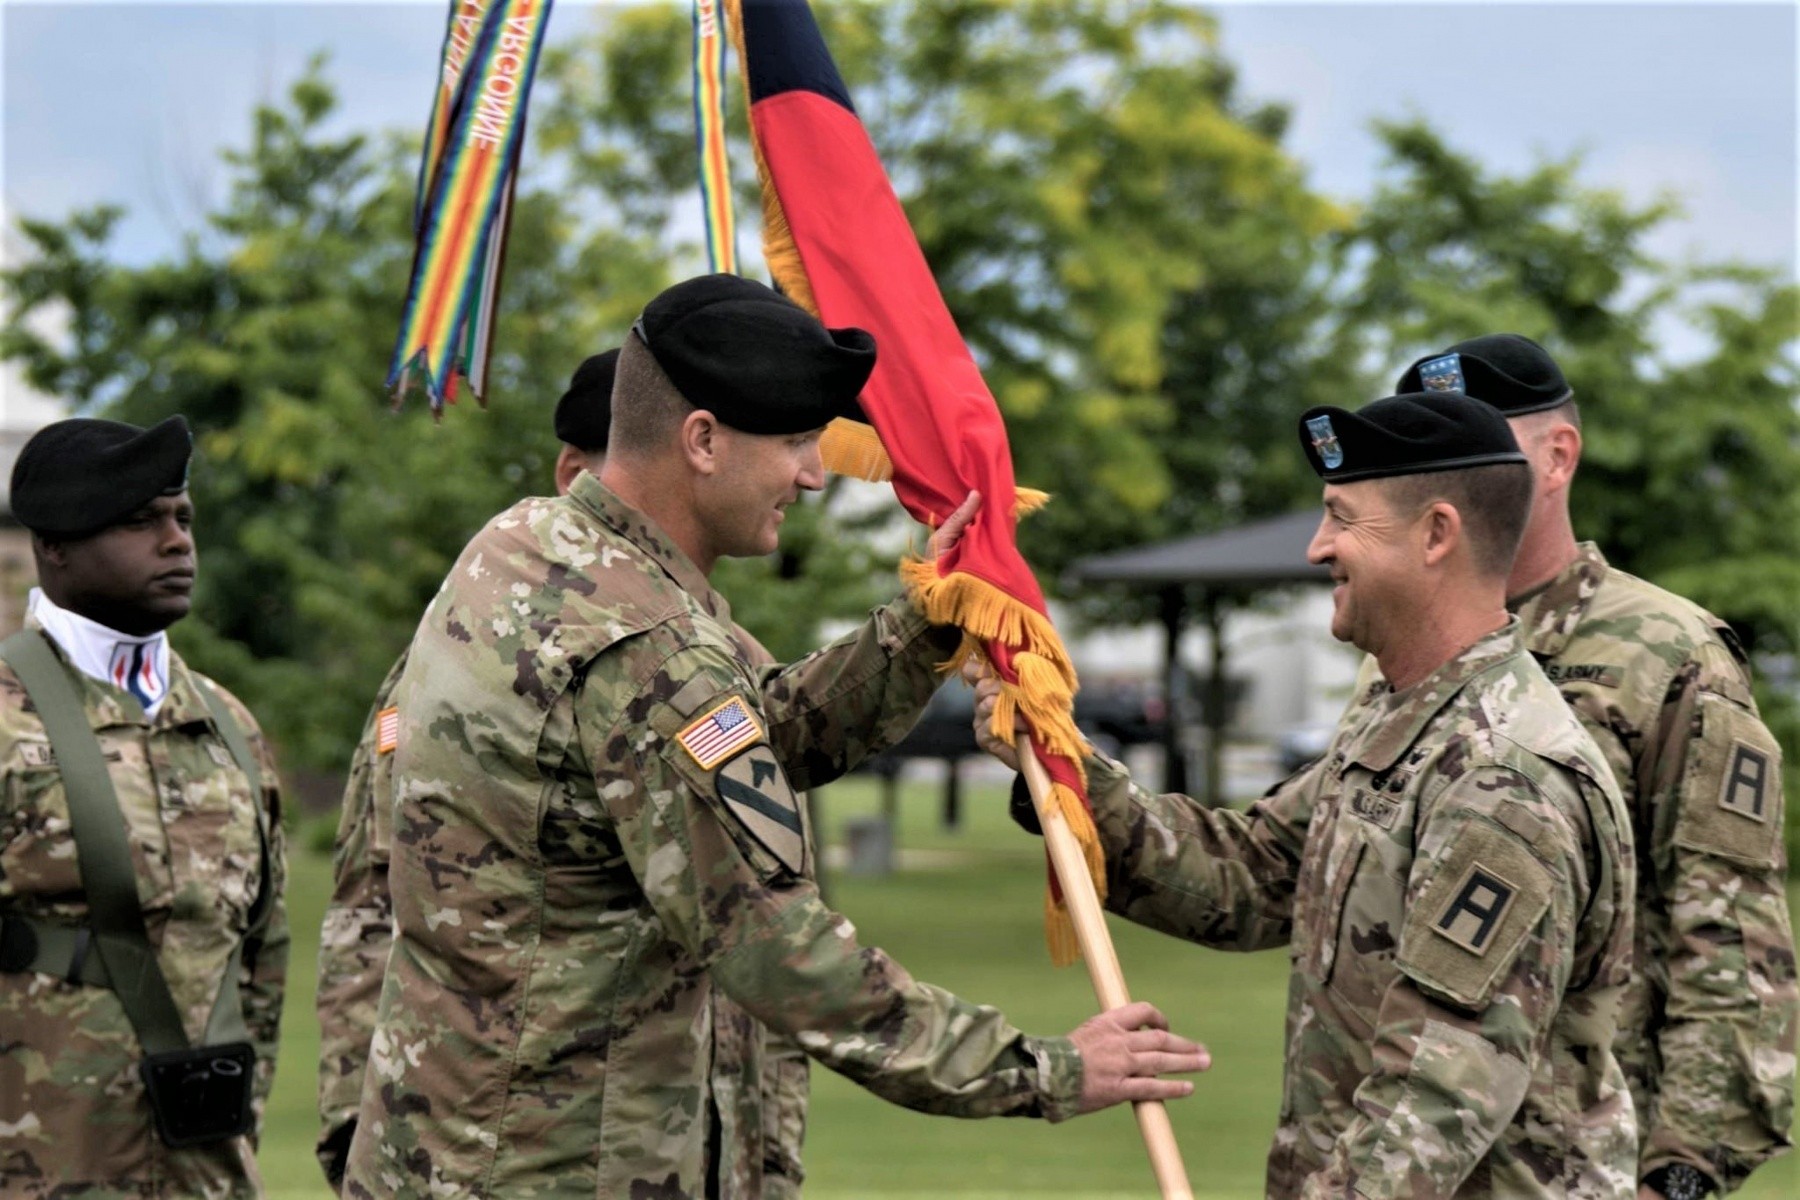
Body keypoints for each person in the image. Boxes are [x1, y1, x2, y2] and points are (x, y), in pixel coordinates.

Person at [341, 275, 1210, 1199]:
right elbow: (776, 946)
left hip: (456, 1150)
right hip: (556, 1166)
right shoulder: (644, 647)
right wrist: (1045, 1068)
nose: (814, 474)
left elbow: (756, 733)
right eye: (797, 440)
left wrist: (925, 628)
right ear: (703, 440)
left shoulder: (531, 551)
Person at [976, 391, 1641, 1197]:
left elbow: (1431, 1102)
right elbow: (1245, 875)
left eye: (1343, 518)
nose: (1318, 547)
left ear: (1437, 534)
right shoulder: (1405, 723)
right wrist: (1058, 764)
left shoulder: (1501, 775)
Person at [315, 347, 816, 1195]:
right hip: (537, 1142)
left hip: (705, 1139)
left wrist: (771, 1154)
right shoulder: (464, 672)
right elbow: (374, 900)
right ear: (574, 472)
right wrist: (348, 1119)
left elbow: (770, 910)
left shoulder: (725, 665)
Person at [1391, 335, 1796, 1200]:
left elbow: (1731, 945)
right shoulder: (1407, 657)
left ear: (1557, 455)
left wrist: (1681, 1179)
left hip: (1585, 1166)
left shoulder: (1671, 653)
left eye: (1476, 434)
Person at [0, 416, 288, 1197]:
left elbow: (263, 954)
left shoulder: (227, 725)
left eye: (183, 518)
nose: (176, 542)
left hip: (209, 1173)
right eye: (140, 522)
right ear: (53, 545)